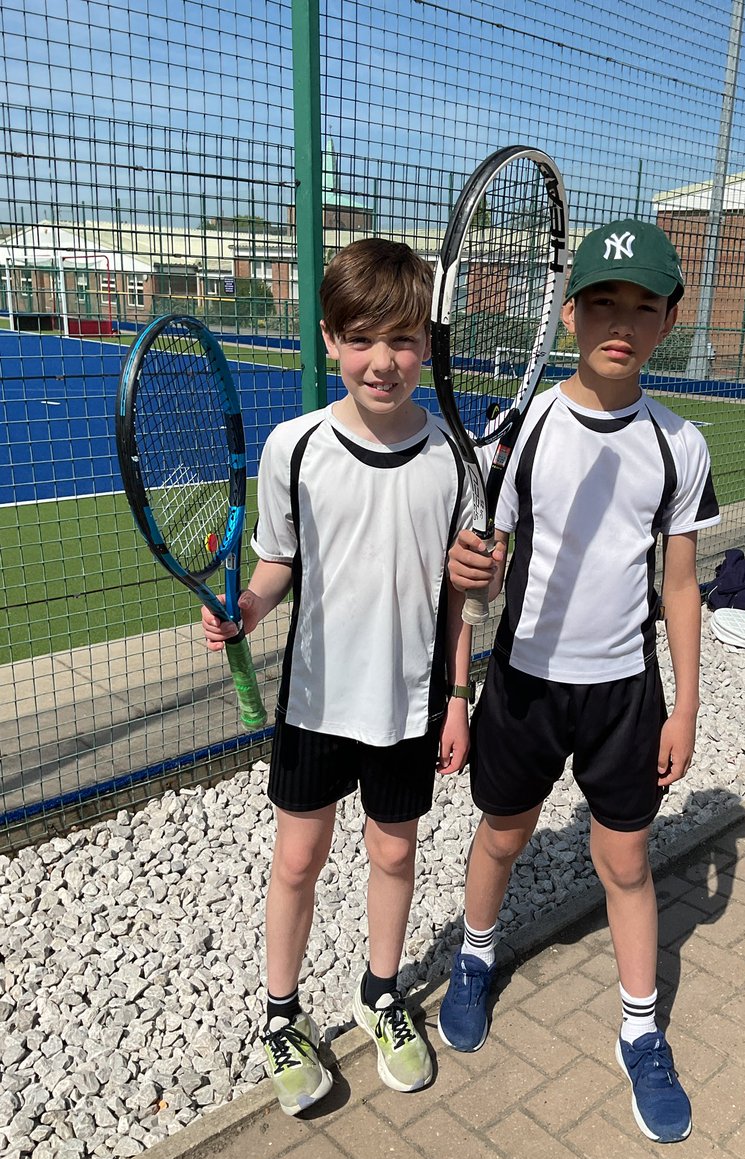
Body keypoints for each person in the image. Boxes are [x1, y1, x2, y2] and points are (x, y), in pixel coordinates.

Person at [439, 219, 720, 1143]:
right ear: (567, 315)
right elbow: (479, 572)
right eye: (603, 301)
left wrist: (685, 704)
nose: (621, 322)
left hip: (624, 695)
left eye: (643, 307)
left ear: (668, 321)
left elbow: (680, 586)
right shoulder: (523, 432)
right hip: (525, 685)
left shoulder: (681, 443)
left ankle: (640, 1034)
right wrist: (455, 684)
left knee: (628, 863)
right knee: (502, 836)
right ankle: (476, 958)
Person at [201, 238, 473, 1113]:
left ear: (426, 344)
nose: (382, 361)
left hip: (409, 702)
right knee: (298, 858)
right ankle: (280, 1015)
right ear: (329, 341)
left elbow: (461, 600)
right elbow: (278, 565)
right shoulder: (294, 447)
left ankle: (379, 991)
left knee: (395, 852)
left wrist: (460, 696)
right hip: (316, 699)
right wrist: (244, 609)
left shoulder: (458, 460)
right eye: (361, 340)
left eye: (400, 340)